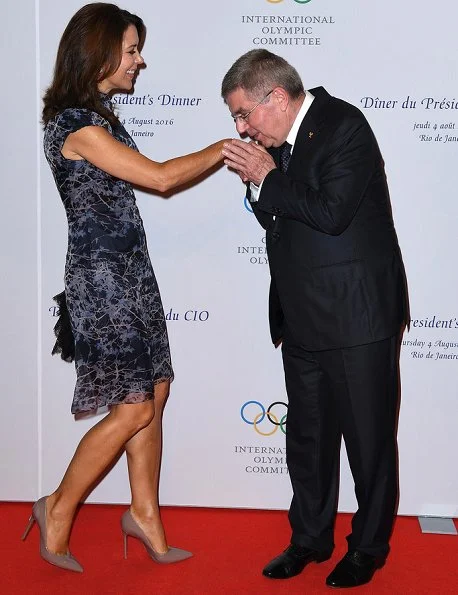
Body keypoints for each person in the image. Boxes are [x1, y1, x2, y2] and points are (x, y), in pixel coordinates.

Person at [21, 3, 230, 573]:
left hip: (132, 273)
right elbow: (160, 179)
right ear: (99, 52)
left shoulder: (102, 119)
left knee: (155, 391)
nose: (141, 60)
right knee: (133, 404)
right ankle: (57, 508)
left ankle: (144, 515)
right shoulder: (74, 126)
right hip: (100, 279)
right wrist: (227, 146)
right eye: (132, 49)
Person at [221, 49, 408, 588]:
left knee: (368, 442)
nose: (241, 127)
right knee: (307, 438)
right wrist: (262, 180)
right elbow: (276, 217)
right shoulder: (274, 145)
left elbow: (330, 212)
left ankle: (368, 548)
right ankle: (309, 539)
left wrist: (266, 176)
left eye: (243, 114)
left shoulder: (343, 124)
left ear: (275, 97)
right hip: (300, 315)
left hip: (357, 316)